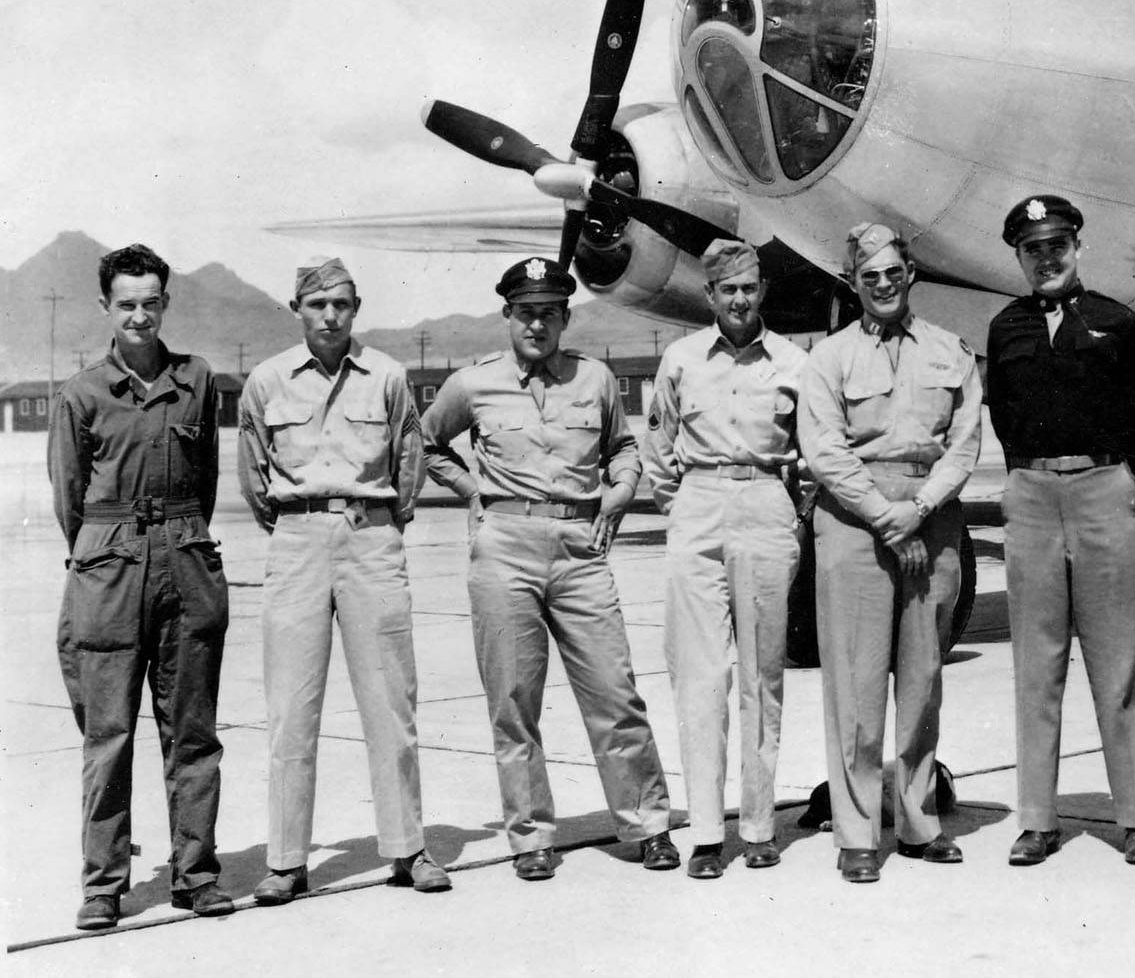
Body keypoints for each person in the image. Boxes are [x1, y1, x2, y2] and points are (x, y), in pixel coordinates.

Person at [419, 256, 679, 883]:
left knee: (614, 692)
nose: (537, 325)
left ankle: (647, 824)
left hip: (579, 545)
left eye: (549, 313)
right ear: (507, 316)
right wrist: (471, 491)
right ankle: (531, 835)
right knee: (513, 700)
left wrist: (621, 488)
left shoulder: (594, 380)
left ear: (564, 317)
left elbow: (621, 446)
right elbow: (425, 442)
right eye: (526, 313)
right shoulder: (472, 383)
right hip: (504, 545)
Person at [238, 255, 447, 904]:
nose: (330, 316)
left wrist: (381, 522)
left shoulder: (386, 375)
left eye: (343, 304)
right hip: (297, 540)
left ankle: (408, 847)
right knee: (291, 706)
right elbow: (253, 470)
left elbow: (409, 460)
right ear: (297, 308)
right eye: (318, 304)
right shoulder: (266, 380)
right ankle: (286, 860)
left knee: (390, 700)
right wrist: (299, 524)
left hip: (371, 537)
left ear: (356, 309)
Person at [49, 243, 234, 930]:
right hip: (108, 571)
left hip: (185, 564)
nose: (139, 314)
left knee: (193, 731)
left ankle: (197, 872)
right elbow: (69, 496)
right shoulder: (83, 393)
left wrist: (173, 539)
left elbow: (206, 481)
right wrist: (110, 551)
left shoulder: (198, 380)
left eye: (150, 301)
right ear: (107, 306)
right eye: (126, 302)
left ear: (165, 303)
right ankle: (104, 883)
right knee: (109, 733)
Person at [798, 223, 982, 884]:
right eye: (868, 275)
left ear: (911, 276)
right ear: (853, 282)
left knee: (924, 677)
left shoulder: (949, 351)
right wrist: (885, 517)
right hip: (854, 524)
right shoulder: (829, 358)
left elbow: (964, 442)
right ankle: (855, 832)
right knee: (855, 682)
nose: (882, 284)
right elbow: (824, 449)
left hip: (929, 518)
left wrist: (918, 511)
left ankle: (917, 821)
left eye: (893, 273)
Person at [986, 195, 1135, 867]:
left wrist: (1100, 475)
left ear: (1077, 246)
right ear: (1020, 256)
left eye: (1057, 244)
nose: (1047, 257)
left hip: (1102, 487)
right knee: (1037, 664)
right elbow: (1004, 417)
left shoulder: (1119, 321)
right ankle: (1037, 818)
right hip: (1031, 494)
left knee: (1117, 662)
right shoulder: (1006, 328)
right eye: (1033, 249)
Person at [642, 239, 808, 879]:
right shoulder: (682, 360)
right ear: (709, 297)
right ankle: (708, 833)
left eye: (749, 288)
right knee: (700, 674)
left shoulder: (794, 361)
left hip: (765, 506)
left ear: (761, 291)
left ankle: (761, 825)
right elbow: (658, 446)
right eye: (727, 290)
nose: (739, 300)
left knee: (762, 675)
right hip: (699, 503)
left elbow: (812, 449)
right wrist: (683, 505)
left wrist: (785, 509)